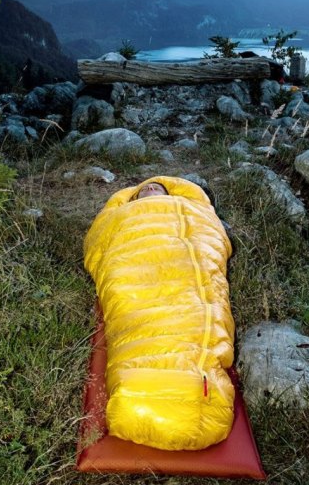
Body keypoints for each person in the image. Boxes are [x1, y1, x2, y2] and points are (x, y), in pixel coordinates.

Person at [83, 176, 236, 451]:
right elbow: (99, 246)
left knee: (198, 305)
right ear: (132, 200)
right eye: (145, 190)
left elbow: (212, 240)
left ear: (171, 195)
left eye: (158, 188)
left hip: (184, 264)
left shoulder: (191, 209)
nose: (151, 188)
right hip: (135, 264)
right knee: (127, 300)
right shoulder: (120, 216)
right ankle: (134, 386)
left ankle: (195, 384)